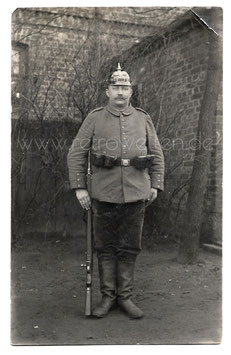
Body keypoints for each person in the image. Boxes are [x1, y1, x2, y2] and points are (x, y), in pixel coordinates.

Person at [67, 63, 164, 319]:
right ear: (107, 91)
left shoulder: (143, 118)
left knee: (130, 246)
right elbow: (77, 152)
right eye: (116, 87)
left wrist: (155, 184)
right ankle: (108, 297)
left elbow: (156, 153)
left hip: (136, 191)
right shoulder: (95, 117)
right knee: (106, 246)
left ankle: (126, 297)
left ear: (130, 92)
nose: (120, 92)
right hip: (103, 192)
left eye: (125, 88)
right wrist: (79, 188)